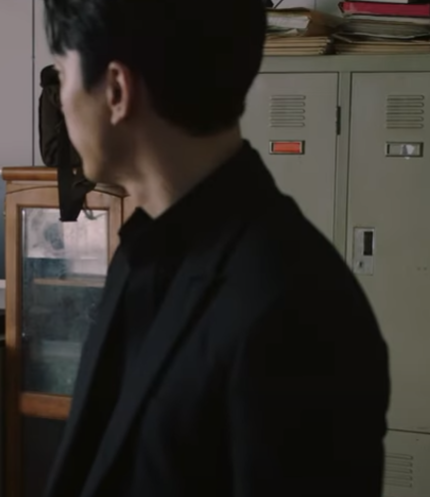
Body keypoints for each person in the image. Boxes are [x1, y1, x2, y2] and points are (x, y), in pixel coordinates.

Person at [40, 1, 390, 496]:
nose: (61, 102)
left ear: (116, 90)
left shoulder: (299, 310)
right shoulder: (141, 253)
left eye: (61, 76)